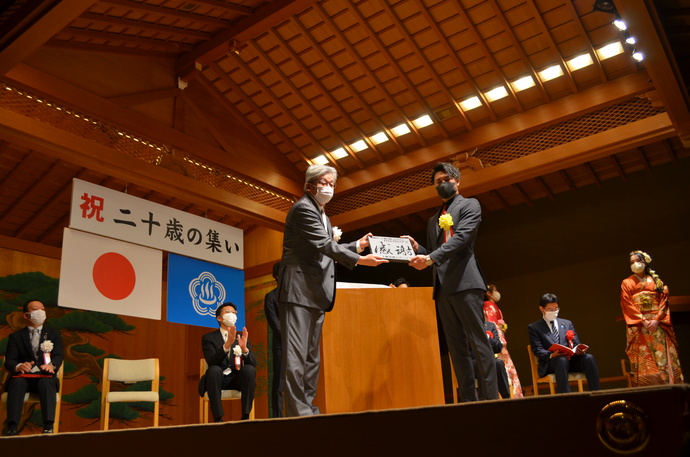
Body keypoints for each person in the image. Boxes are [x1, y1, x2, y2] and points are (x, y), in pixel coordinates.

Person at [278, 164, 388, 417]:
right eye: (324, 183)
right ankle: (298, 413)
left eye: (332, 184)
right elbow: (324, 245)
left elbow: (327, 248)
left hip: (316, 292)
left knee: (311, 358)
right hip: (297, 289)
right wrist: (360, 260)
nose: (328, 188)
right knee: (296, 356)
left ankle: (309, 408)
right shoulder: (303, 209)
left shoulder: (323, 215)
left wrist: (357, 246)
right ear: (309, 186)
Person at [407, 162, 498, 402]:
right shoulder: (431, 220)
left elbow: (462, 238)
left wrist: (429, 257)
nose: (443, 184)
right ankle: (468, 401)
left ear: (457, 181)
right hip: (443, 288)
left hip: (466, 282)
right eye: (438, 182)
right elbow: (436, 252)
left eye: (447, 179)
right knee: (456, 349)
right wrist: (419, 249)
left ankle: (490, 401)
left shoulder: (470, 205)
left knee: (479, 343)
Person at [620, 250, 683, 385]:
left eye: (638, 261)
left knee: (663, 354)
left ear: (644, 262)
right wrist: (643, 320)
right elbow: (627, 303)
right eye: (632, 263)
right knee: (644, 355)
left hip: (657, 323)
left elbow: (664, 301)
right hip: (640, 325)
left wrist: (657, 319)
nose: (635, 264)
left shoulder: (656, 281)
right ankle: (649, 384)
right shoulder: (626, 282)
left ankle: (669, 383)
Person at [3, 299, 63, 435]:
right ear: (26, 315)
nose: (40, 312)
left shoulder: (54, 335)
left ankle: (48, 426)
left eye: (42, 309)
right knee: (16, 383)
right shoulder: (16, 337)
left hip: (44, 375)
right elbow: (10, 360)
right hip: (24, 376)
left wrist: (51, 365)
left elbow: (59, 355)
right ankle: (12, 427)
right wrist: (19, 366)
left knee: (47, 383)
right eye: (36, 309)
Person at [528, 293, 601, 393]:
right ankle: (566, 397)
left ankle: (597, 393)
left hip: (571, 360)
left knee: (589, 358)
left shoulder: (567, 323)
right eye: (550, 309)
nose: (554, 312)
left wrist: (579, 349)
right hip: (552, 363)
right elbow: (537, 349)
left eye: (556, 309)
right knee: (561, 360)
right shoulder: (535, 327)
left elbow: (575, 342)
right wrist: (552, 355)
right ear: (542, 309)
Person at [198, 302, 256, 421]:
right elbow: (211, 361)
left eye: (234, 313)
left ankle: (245, 417)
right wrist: (227, 345)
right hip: (218, 379)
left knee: (249, 370)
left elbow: (253, 364)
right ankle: (218, 418)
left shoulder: (241, 337)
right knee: (213, 370)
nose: (232, 315)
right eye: (228, 312)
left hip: (237, 379)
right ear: (219, 318)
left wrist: (244, 349)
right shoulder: (209, 338)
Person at [483, 285, 523, 398]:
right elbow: (494, 327)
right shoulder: (488, 305)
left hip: (499, 337)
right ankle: (508, 396)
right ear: (489, 293)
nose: (497, 292)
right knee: (504, 369)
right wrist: (502, 345)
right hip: (496, 341)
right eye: (495, 290)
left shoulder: (494, 306)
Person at [472, 321, 511, 399]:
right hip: (472, 361)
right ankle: (484, 400)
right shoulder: (467, 326)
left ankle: (506, 397)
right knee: (482, 364)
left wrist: (487, 337)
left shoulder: (490, 325)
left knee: (499, 363)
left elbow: (497, 347)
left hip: (489, 360)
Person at [264, 261, 283, 417]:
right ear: (276, 275)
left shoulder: (297, 295)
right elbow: (274, 323)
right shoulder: (270, 297)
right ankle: (277, 417)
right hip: (282, 345)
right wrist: (290, 338)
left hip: (299, 345)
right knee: (279, 382)